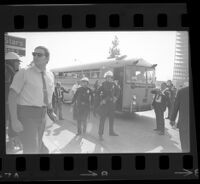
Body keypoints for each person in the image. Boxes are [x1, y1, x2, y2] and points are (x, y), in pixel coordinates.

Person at [8, 46, 57, 154]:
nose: (35, 56)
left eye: (39, 55)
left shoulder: (50, 75)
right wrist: (14, 120)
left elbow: (49, 95)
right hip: (26, 114)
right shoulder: (23, 72)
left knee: (38, 145)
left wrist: (51, 111)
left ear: (47, 58)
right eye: (34, 54)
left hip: (42, 115)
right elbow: (12, 95)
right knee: (31, 149)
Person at [5, 52, 22, 153]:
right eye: (17, 62)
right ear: (11, 62)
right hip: (8, 104)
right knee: (11, 121)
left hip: (9, 103)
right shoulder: (7, 71)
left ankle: (12, 141)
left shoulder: (10, 70)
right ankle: (12, 142)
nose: (18, 65)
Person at [96, 71, 120, 141]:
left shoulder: (114, 84)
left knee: (112, 119)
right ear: (106, 78)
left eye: (110, 77)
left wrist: (116, 97)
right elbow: (97, 93)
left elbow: (118, 91)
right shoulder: (103, 84)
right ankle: (100, 134)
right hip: (105, 105)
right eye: (108, 77)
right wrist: (101, 100)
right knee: (102, 120)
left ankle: (111, 132)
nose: (109, 78)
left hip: (112, 104)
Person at [170, 86, 189, 152]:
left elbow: (176, 106)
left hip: (184, 124)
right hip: (184, 124)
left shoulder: (182, 91)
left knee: (185, 146)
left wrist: (172, 119)